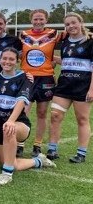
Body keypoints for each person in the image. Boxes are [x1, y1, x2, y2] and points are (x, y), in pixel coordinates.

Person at [0, 48, 55, 186]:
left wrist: (11, 120)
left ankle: (6, 175)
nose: (7, 61)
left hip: (18, 123)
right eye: (4, 58)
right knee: (12, 164)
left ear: (17, 61)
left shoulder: (24, 77)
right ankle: (38, 161)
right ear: (0, 60)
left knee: (9, 129)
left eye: (11, 59)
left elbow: (21, 101)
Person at [48, 12, 93, 163]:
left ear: (81, 23)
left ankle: (81, 154)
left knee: (82, 119)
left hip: (83, 87)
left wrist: (92, 89)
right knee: (55, 116)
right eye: (67, 24)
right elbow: (69, 61)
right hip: (64, 86)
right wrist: (51, 59)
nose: (71, 26)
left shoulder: (90, 41)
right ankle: (52, 150)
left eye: (74, 22)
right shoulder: (65, 42)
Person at [18, 9, 61, 157]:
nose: (38, 22)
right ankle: (20, 143)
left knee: (42, 113)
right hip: (27, 77)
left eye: (41, 19)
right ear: (31, 20)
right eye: (35, 19)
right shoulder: (23, 35)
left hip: (46, 78)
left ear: (46, 20)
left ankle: (37, 144)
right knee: (23, 111)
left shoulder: (54, 34)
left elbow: (75, 35)